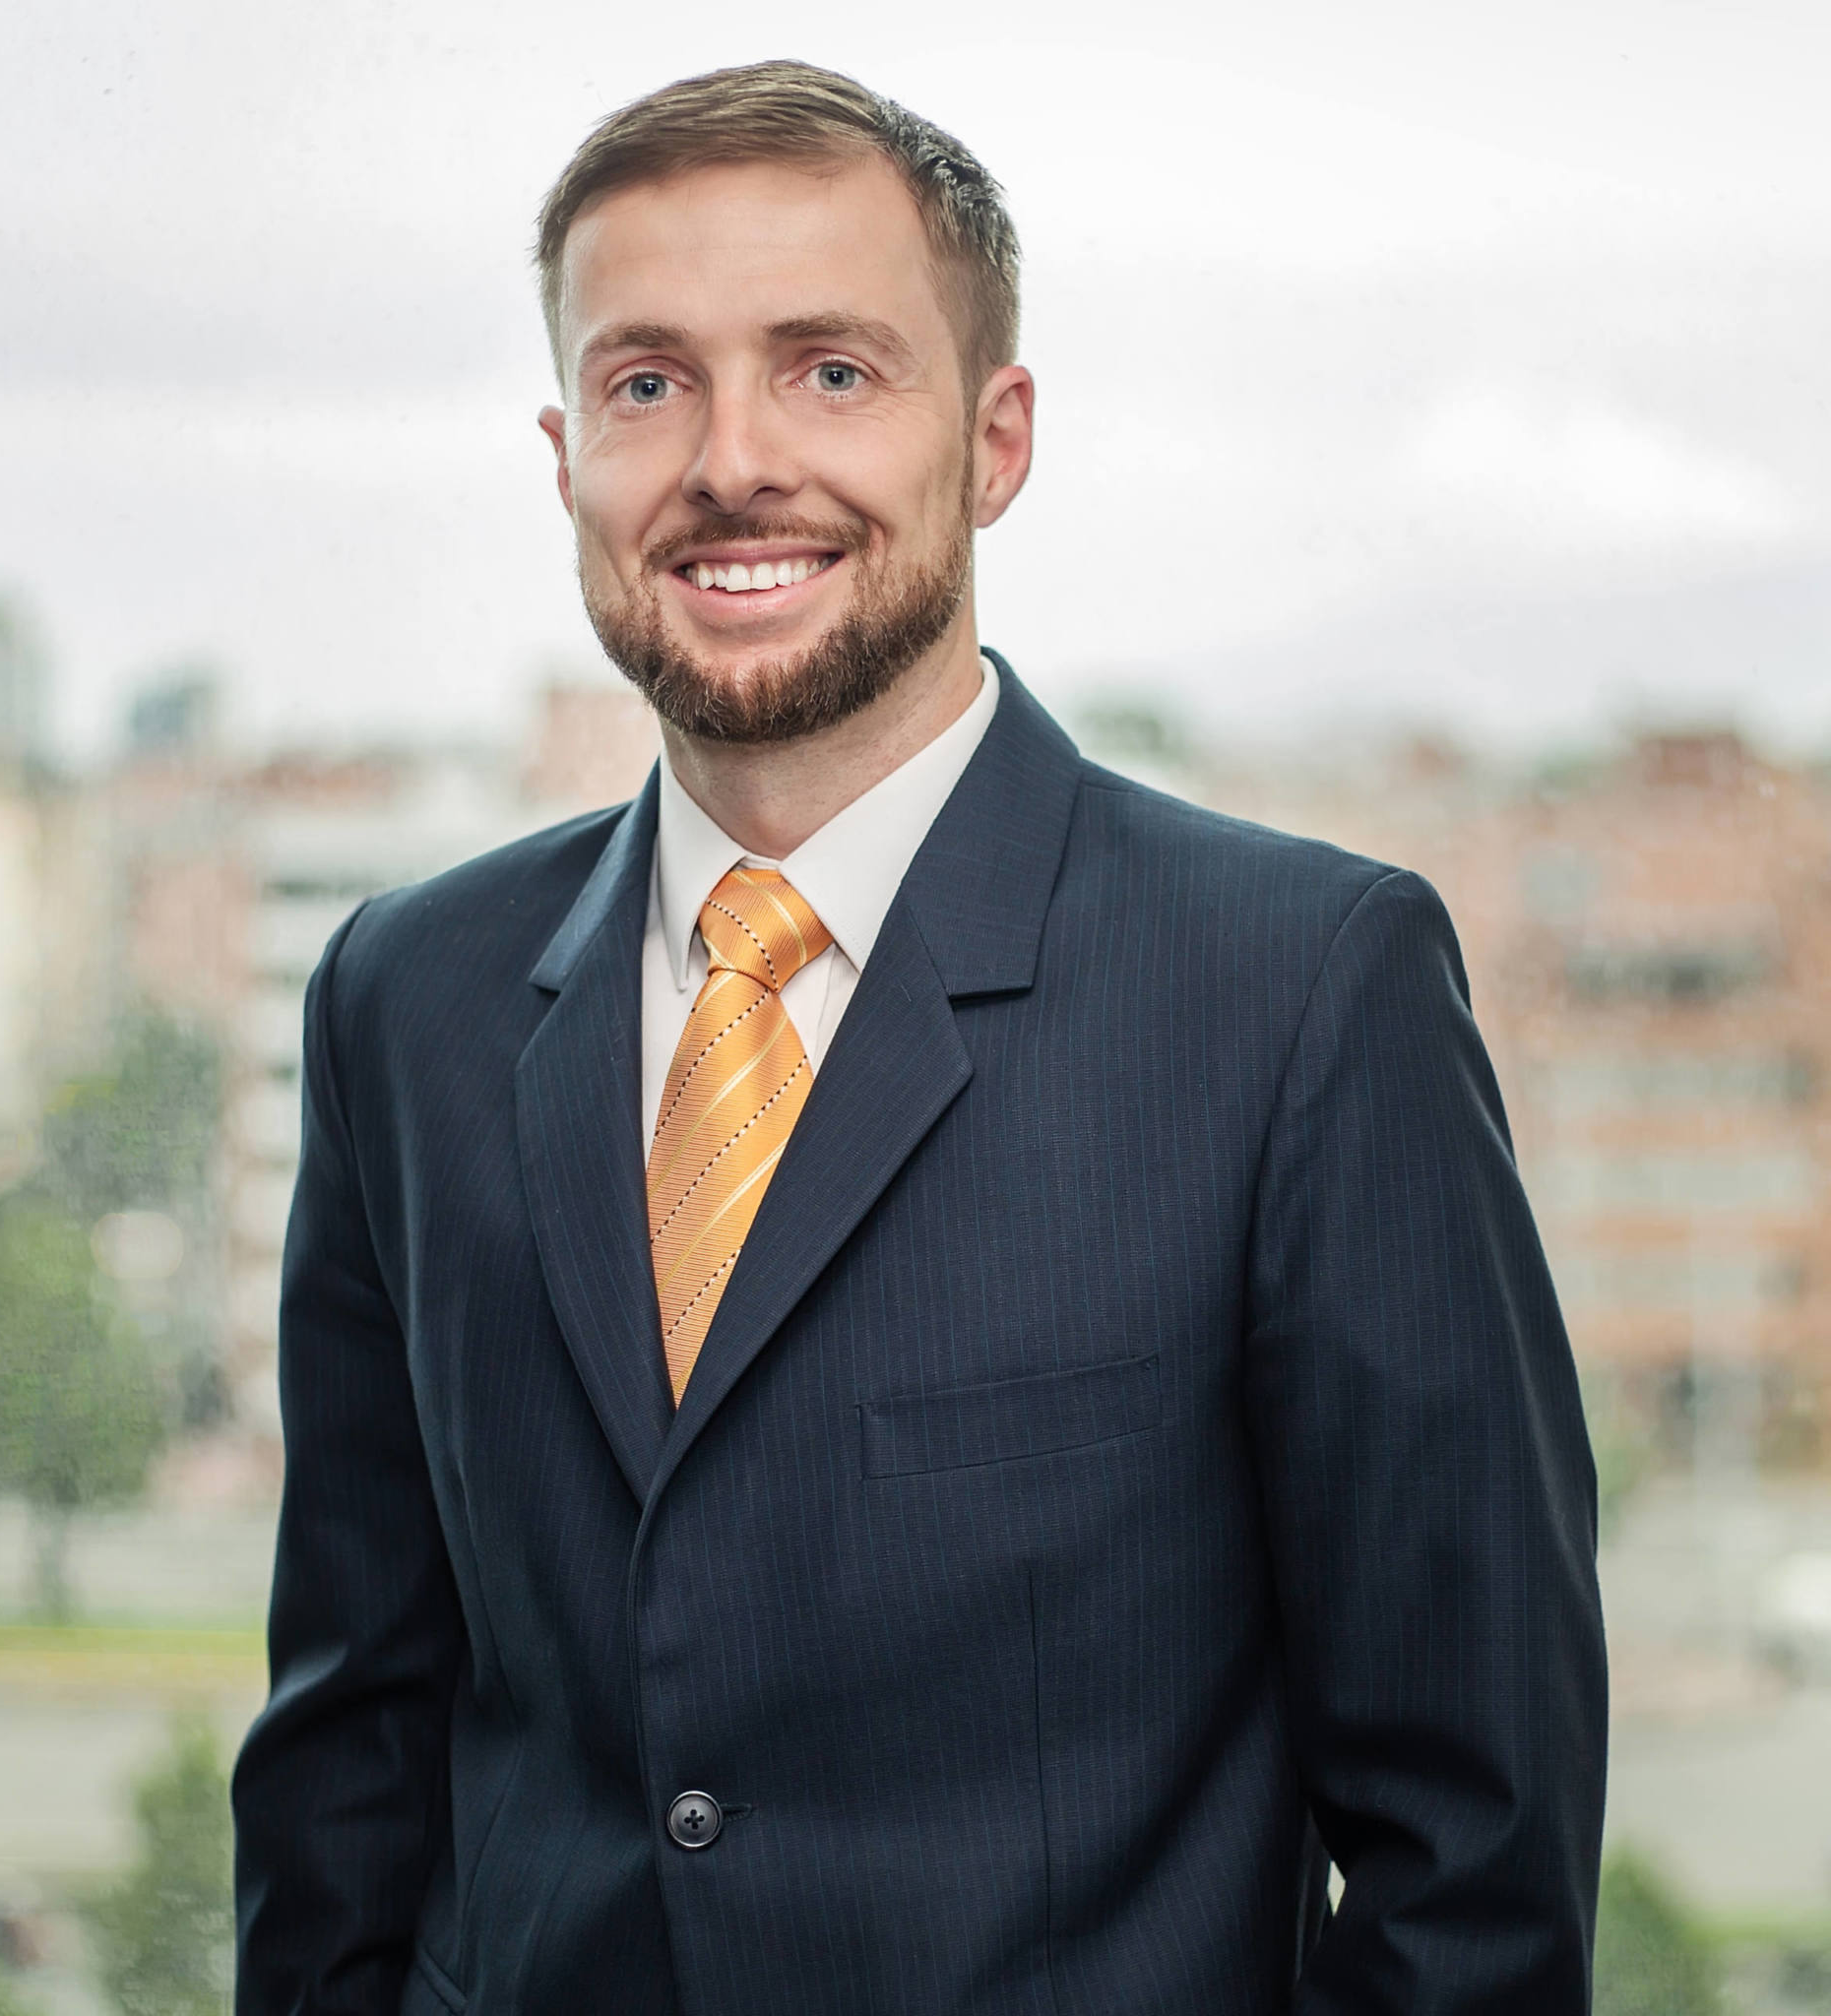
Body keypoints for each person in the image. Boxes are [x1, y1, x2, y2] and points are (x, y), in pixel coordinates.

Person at [232, 59, 1608, 2015]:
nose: (729, 461)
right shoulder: (406, 994)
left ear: (996, 434)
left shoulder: (1304, 991)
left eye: (830, 371)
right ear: (564, 457)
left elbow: (1470, 1855)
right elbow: (347, 1757)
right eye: (647, 382)